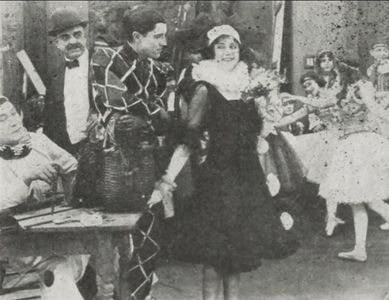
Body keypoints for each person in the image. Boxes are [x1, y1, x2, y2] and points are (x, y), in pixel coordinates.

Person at [148, 24, 298, 300]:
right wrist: (167, 178)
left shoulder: (249, 86)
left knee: (237, 255)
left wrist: (268, 101)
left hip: (247, 178)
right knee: (215, 257)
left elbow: (262, 133)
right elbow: (188, 139)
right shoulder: (205, 87)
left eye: (233, 46)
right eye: (220, 45)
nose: (228, 52)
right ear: (210, 50)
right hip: (217, 178)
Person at [90, 6, 173, 299]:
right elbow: (119, 103)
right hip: (111, 165)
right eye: (158, 36)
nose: (164, 42)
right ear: (137, 37)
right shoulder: (104, 59)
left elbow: (158, 110)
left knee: (149, 241)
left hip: (147, 165)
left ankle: (138, 296)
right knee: (110, 246)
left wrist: (157, 114)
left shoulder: (158, 69)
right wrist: (157, 113)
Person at [0, 96, 88, 300]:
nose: (13, 121)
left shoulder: (38, 141)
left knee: (63, 266)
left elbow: (74, 167)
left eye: (14, 113)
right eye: (2, 119)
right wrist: (27, 177)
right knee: (58, 271)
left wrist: (70, 196)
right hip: (16, 250)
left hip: (57, 240)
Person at [318, 80, 389, 262]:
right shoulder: (343, 101)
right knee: (362, 201)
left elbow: (375, 108)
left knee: (366, 201)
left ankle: (360, 249)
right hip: (352, 147)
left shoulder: (363, 94)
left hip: (359, 148)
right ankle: (359, 249)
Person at [43, 7, 97, 157]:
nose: (73, 41)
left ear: (85, 37)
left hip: (101, 146)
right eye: (65, 37)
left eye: (77, 35)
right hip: (69, 150)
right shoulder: (54, 76)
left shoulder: (101, 63)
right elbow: (50, 121)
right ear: (57, 43)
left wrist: (100, 113)